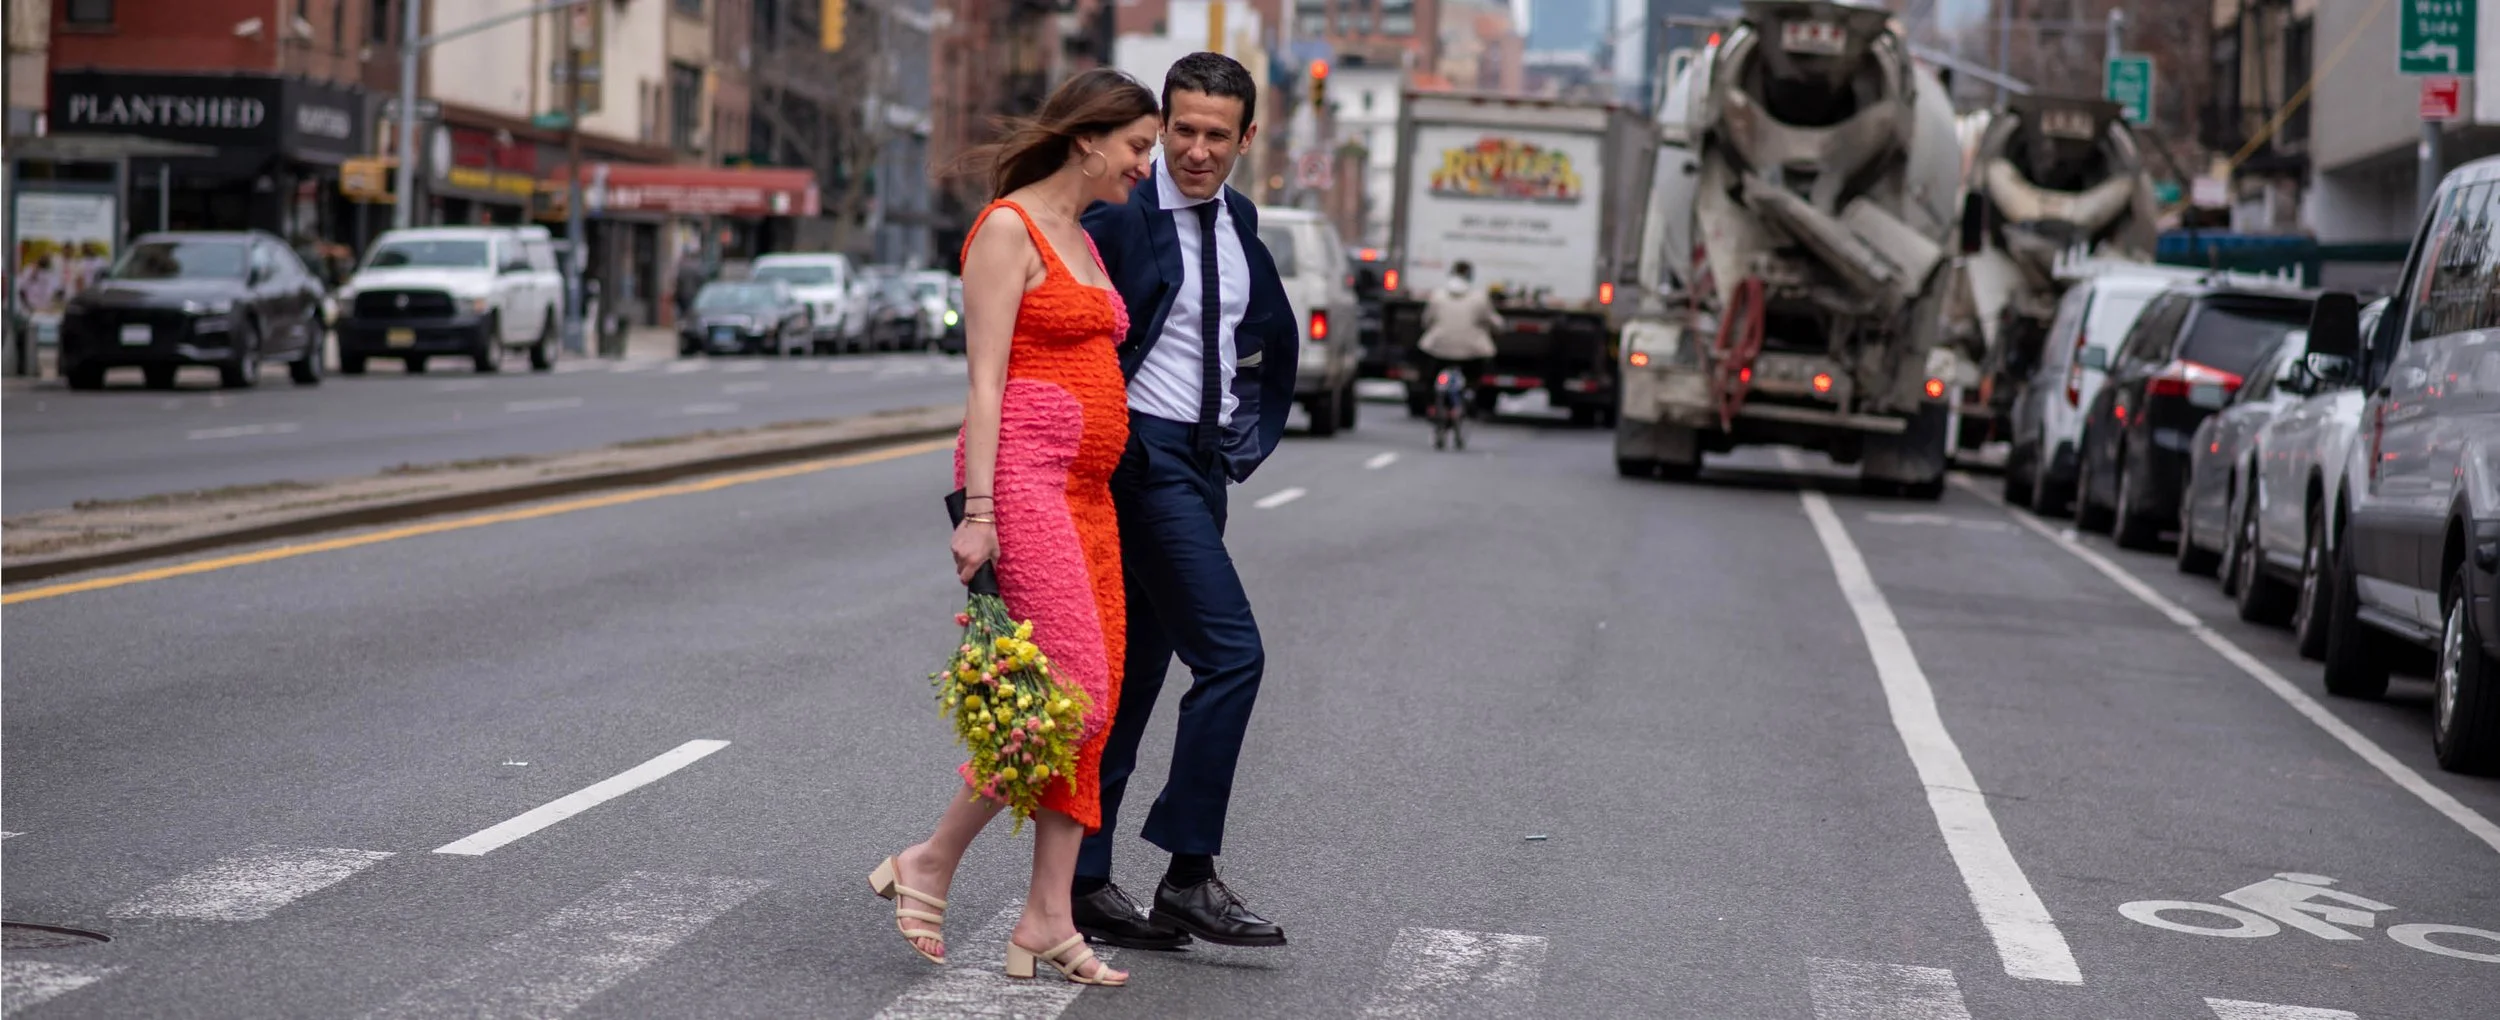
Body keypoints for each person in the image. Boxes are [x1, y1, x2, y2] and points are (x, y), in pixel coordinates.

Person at [869, 68, 1162, 987]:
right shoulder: (1009, 229)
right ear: (1088, 140)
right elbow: (986, 382)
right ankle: (931, 859)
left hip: (1090, 496)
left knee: (1097, 706)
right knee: (1062, 695)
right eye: (1138, 147)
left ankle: (1046, 915)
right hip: (1025, 483)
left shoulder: (1086, 235)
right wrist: (983, 514)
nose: (1146, 168)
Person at [1073, 51, 1300, 951]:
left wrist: (1240, 440)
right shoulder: (1121, 213)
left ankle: (1088, 881)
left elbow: (1266, 337)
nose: (1196, 150)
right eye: (1182, 130)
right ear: (1161, 125)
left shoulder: (1239, 219)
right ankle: (1189, 872)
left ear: (1248, 137)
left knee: (1136, 677)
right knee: (1233, 655)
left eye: (1217, 134)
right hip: (1142, 457)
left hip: (1199, 465)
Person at [1416, 259, 1504, 416]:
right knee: (1473, 374)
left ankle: (1432, 405)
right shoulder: (1479, 298)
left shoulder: (1437, 296)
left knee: (1429, 374)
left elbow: (1426, 321)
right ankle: (1466, 397)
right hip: (1471, 351)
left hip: (1438, 348)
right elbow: (1494, 322)